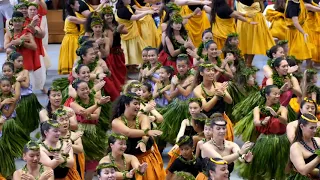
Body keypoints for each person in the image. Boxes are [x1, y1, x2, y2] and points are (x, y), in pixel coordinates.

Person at [236, 85, 289, 179]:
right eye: (275, 94)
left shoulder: (282, 108)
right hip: (264, 140)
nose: (277, 96)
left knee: (279, 167)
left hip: (281, 141)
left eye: (278, 94)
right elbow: (256, 122)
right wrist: (262, 122)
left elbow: (285, 121)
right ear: (267, 96)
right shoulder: (258, 109)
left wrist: (276, 115)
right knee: (262, 167)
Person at [112, 93, 165, 180]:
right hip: (126, 162)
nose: (138, 107)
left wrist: (143, 141)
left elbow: (146, 129)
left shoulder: (143, 117)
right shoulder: (116, 122)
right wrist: (148, 132)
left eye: (139, 104)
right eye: (135, 104)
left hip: (145, 159)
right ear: (126, 104)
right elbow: (128, 132)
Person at [69, 80, 110, 179]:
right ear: (76, 91)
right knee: (80, 162)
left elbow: (95, 116)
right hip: (79, 135)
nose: (86, 91)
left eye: (87, 88)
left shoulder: (96, 99)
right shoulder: (73, 104)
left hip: (94, 134)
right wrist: (97, 105)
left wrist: (87, 113)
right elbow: (83, 112)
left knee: (92, 163)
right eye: (82, 89)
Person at [193, 63, 234, 141]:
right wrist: (217, 96)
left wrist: (223, 93)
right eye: (208, 70)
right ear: (201, 73)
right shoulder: (198, 90)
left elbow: (229, 101)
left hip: (221, 118)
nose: (212, 72)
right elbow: (206, 107)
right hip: (207, 121)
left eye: (212, 70)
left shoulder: (219, 85)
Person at [0, 76, 29, 178]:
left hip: (12, 124)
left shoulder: (14, 98)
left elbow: (9, 113)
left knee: (12, 147)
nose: (6, 88)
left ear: (11, 87)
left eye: (8, 85)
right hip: (2, 125)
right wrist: (3, 103)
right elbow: (5, 112)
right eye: (3, 86)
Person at [8, 51, 42, 134]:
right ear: (12, 62)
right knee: (18, 121)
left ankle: (27, 137)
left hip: (26, 99)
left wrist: (15, 80)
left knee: (27, 121)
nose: (21, 63)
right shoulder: (9, 73)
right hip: (16, 100)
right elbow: (8, 87)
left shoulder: (25, 71)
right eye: (18, 61)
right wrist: (18, 79)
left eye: (22, 61)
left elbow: (26, 85)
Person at [236, 0, 275, 66]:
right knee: (249, 43)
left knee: (250, 43)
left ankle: (247, 65)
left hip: (246, 21)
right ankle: (247, 65)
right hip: (251, 21)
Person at [115, 0, 152, 65]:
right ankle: (131, 66)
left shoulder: (127, 6)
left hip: (133, 33)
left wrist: (149, 10)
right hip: (128, 35)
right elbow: (135, 17)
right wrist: (147, 12)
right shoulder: (122, 10)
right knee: (132, 53)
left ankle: (134, 66)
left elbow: (137, 12)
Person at [101, 5, 127, 91]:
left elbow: (125, 31)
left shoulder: (116, 24)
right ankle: (116, 86)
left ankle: (122, 85)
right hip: (110, 52)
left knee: (121, 68)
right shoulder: (103, 28)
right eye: (107, 15)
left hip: (118, 50)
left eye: (111, 15)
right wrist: (115, 31)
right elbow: (109, 44)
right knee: (113, 70)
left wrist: (118, 29)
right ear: (103, 17)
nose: (109, 17)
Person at [54, 108, 84, 180]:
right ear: (55, 122)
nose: (65, 122)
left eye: (66, 119)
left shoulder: (74, 135)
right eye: (61, 120)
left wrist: (65, 144)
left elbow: (80, 149)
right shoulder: (53, 136)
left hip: (74, 166)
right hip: (59, 169)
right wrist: (69, 142)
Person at [289, 113, 320, 179]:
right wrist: (318, 159)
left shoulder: (318, 140)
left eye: (315, 127)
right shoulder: (296, 147)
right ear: (302, 126)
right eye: (311, 128)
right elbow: (303, 171)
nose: (315, 131)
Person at [58, 0, 86, 75]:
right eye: (77, 3)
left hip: (75, 39)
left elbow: (84, 19)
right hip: (70, 40)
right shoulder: (70, 18)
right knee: (73, 60)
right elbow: (84, 21)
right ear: (72, 6)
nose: (79, 5)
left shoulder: (76, 15)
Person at [285, 0, 312, 66]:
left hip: (301, 30)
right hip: (296, 32)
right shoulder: (292, 6)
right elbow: (295, 23)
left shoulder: (300, 2)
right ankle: (297, 72)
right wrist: (304, 33)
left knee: (307, 51)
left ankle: (309, 71)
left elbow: (309, 7)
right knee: (297, 54)